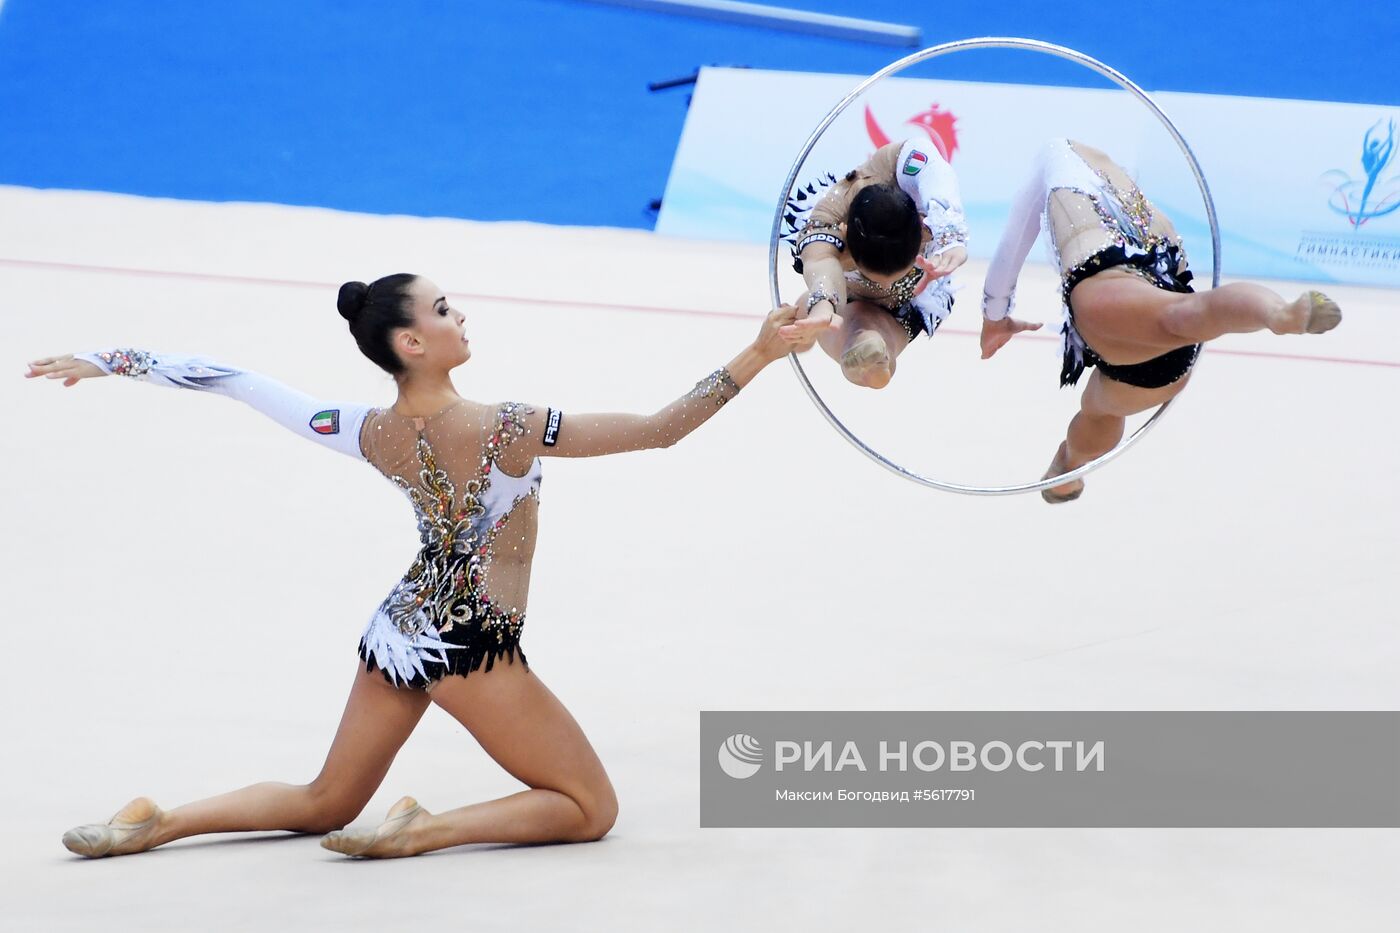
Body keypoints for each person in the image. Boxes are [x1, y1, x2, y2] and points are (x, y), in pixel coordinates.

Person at [26, 274, 812, 858]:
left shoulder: (363, 428)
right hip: (467, 640)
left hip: (399, 625)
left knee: (325, 798)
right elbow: (660, 429)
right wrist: (760, 351)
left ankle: (158, 820)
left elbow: (237, 381)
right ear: (410, 343)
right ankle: (422, 829)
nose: (459, 315)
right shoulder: (512, 426)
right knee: (588, 806)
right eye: (442, 310)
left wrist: (110, 359)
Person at [979, 138, 1342, 503]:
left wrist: (995, 316)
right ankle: (1276, 311)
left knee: (1101, 407)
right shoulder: (1116, 173)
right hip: (1161, 285)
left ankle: (1068, 463)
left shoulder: (1051, 159)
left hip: (1113, 292)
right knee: (1188, 315)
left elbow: (1012, 244)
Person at [780, 137, 976, 389]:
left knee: (876, 340)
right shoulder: (826, 219)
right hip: (849, 288)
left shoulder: (904, 165)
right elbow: (821, 264)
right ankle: (824, 320)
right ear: (847, 235)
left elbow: (939, 174)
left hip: (908, 295)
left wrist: (952, 235)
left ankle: (867, 346)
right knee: (840, 315)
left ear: (919, 229)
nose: (885, 283)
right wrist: (823, 306)